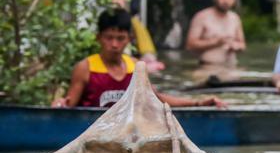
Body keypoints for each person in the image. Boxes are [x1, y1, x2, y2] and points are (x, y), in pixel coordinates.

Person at [53, 8, 225, 109]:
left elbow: (156, 99)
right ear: (99, 38)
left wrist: (199, 103)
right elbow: (69, 107)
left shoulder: (136, 67)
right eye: (108, 37)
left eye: (120, 38)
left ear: (129, 39)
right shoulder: (85, 67)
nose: (114, 44)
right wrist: (59, 105)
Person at [185, 0, 246, 67]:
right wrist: (216, 42)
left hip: (231, 67)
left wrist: (236, 46)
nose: (226, 1)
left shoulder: (235, 18)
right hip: (207, 67)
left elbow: (242, 44)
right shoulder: (201, 17)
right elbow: (190, 45)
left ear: (234, 0)